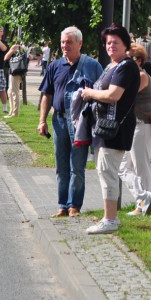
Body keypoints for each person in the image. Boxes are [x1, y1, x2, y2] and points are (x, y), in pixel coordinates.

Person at [80, 24, 141, 234]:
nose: (111, 46)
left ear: (126, 45)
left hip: (115, 129)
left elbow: (113, 95)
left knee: (108, 173)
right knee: (104, 172)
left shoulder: (126, 66)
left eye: (116, 42)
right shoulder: (110, 66)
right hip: (103, 128)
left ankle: (110, 220)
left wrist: (89, 93)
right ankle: (109, 217)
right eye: (108, 43)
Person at [37, 26, 103, 217]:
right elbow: (46, 95)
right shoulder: (55, 66)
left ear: (79, 44)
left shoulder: (92, 66)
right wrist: (42, 120)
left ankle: (74, 205)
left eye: (69, 42)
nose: (65, 46)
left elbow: (100, 94)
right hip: (58, 121)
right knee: (61, 165)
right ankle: (62, 205)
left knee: (77, 166)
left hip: (80, 123)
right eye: (63, 42)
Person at [120, 44, 151, 215]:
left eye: (129, 59)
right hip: (134, 127)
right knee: (123, 168)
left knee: (141, 167)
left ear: (139, 60)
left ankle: (143, 206)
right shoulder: (135, 76)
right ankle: (144, 199)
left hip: (142, 126)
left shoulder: (141, 76)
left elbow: (124, 95)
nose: (125, 62)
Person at [5, 41, 28, 118]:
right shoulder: (16, 51)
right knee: (10, 92)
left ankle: (15, 113)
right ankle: (11, 111)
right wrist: (13, 49)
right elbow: (6, 58)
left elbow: (6, 58)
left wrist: (14, 49)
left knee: (15, 92)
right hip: (14, 72)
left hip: (16, 73)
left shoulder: (22, 51)